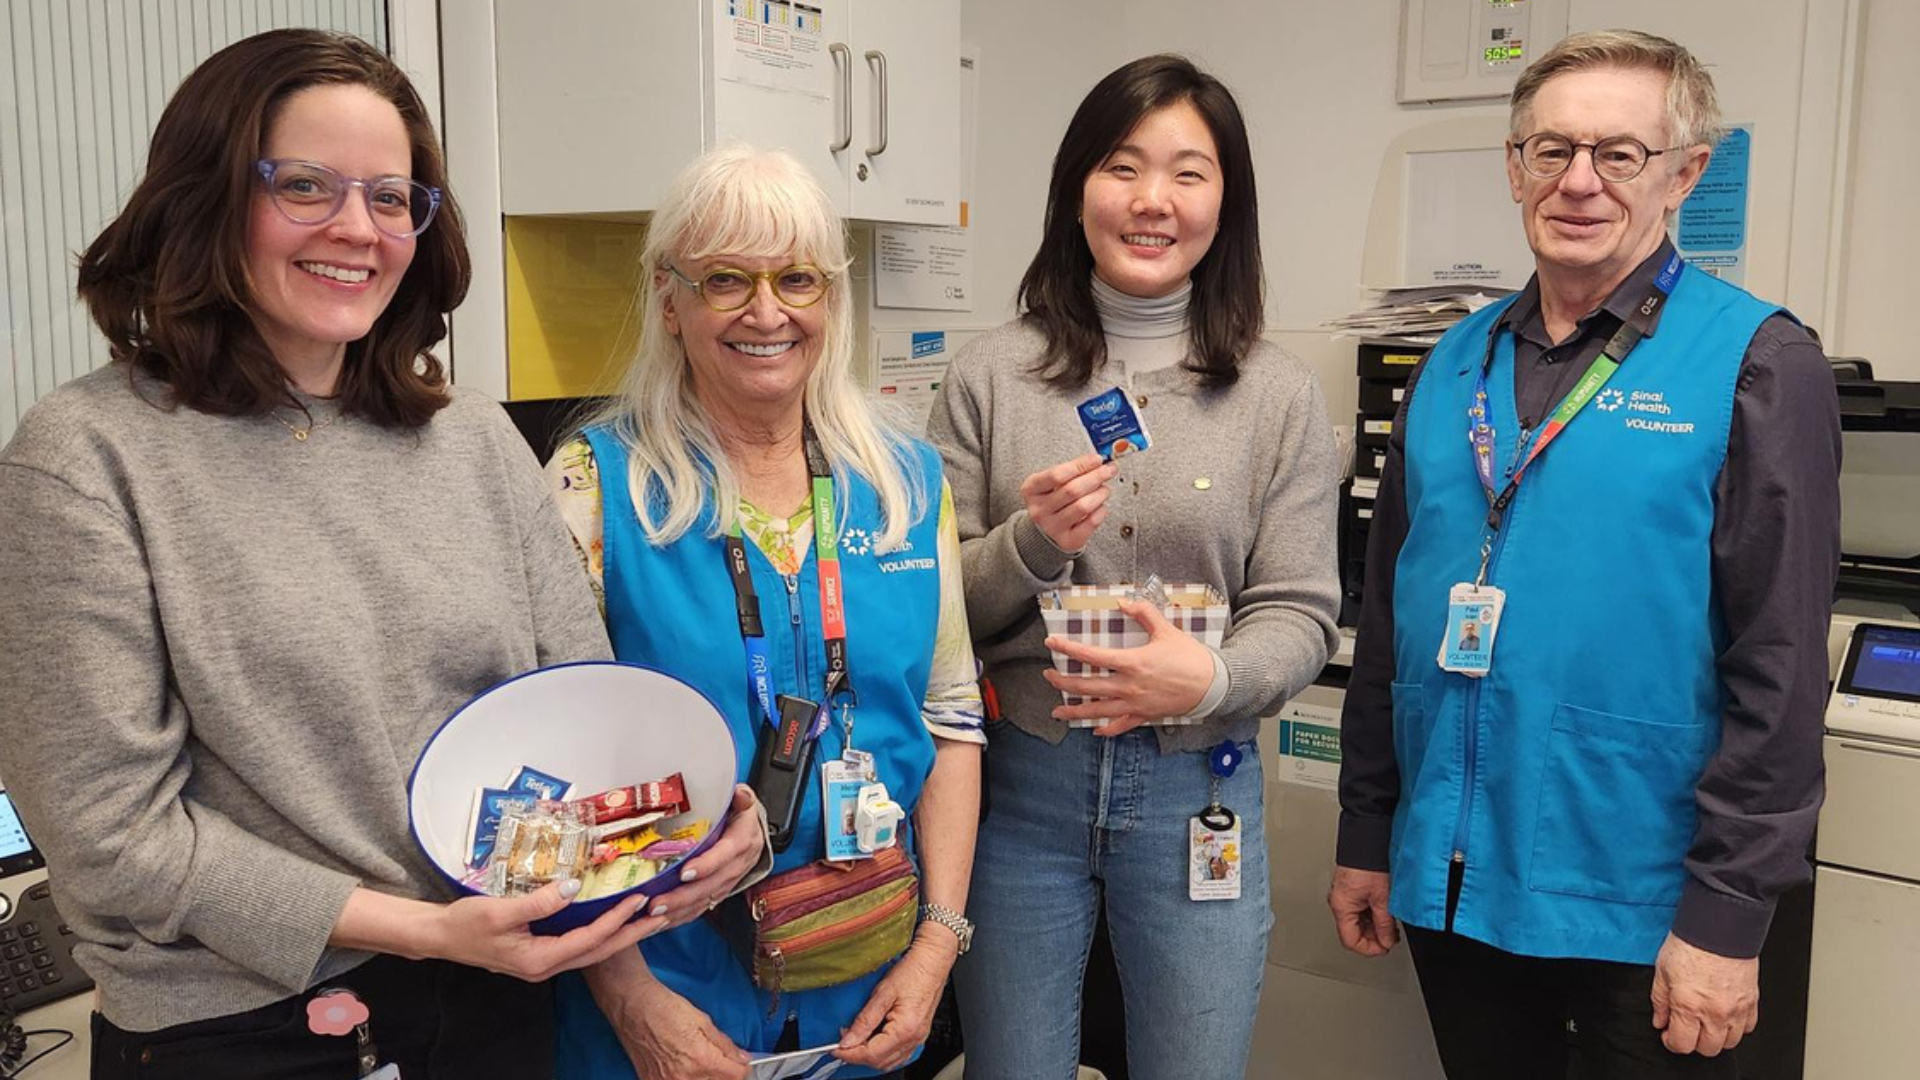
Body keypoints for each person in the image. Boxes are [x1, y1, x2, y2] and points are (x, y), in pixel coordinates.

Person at [0, 30, 763, 1078]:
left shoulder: (473, 438)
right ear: (206, 196)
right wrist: (426, 929)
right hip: (242, 1027)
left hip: (494, 992)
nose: (358, 229)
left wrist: (698, 809)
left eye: (392, 197)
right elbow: (108, 834)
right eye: (305, 186)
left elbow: (583, 715)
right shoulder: (87, 456)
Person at [1329, 29, 1840, 1080]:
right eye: (1549, 149)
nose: (1578, 182)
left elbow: (1780, 671)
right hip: (1458, 877)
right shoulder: (1452, 362)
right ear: (1515, 167)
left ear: (1684, 174)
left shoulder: (1755, 361)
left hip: (1648, 902)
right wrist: (1368, 828)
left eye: (1620, 153)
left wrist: (1730, 913)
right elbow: (1389, 622)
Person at [927, 55, 1340, 1080]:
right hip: (1021, 787)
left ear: (1224, 202)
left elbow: (1300, 609)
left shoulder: (1276, 395)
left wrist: (1211, 680)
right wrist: (1033, 545)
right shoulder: (989, 376)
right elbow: (933, 617)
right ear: (1079, 190)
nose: (1152, 200)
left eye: (1188, 173)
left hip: (1203, 784)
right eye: (1123, 166)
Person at [545, 144, 985, 1080]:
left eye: (797, 278)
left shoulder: (907, 484)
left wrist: (937, 947)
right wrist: (631, 1000)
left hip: (864, 983)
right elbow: (546, 781)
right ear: (669, 299)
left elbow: (950, 721)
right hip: (665, 986)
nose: (767, 311)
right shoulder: (597, 488)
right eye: (726, 280)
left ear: (831, 297)